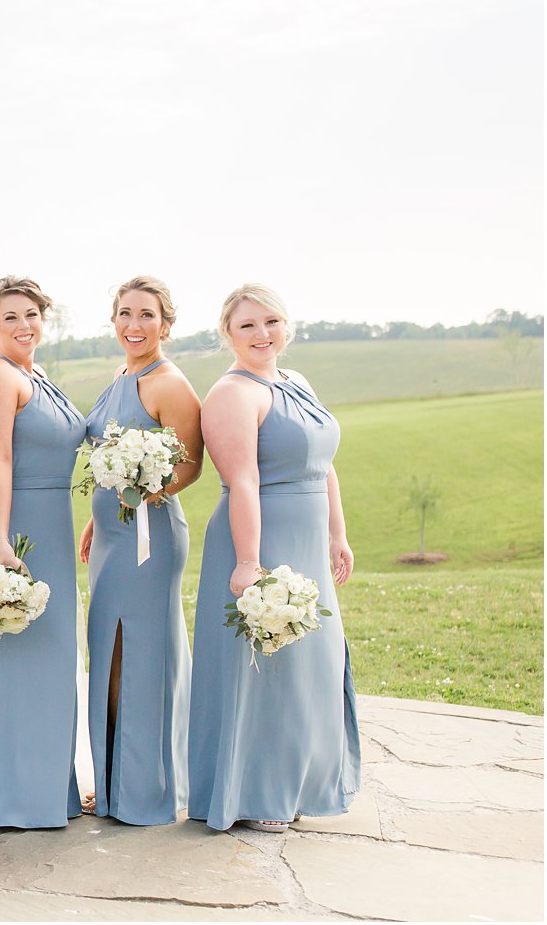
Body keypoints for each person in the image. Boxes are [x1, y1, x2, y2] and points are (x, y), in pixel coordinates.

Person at [188, 283, 360, 832]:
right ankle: (257, 793)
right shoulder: (232, 395)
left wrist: (338, 534)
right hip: (260, 539)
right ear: (227, 335)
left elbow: (325, 463)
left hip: (309, 539)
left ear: (286, 325)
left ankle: (306, 782)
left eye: (271, 322)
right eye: (247, 326)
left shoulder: (297, 383)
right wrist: (248, 562)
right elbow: (242, 481)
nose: (262, 334)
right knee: (268, 666)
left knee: (315, 663)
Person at [0, 276, 86, 828]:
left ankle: (47, 790)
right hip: (13, 526)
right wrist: (2, 542)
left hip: (53, 523)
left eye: (31, 314)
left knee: (52, 662)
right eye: (10, 317)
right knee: (10, 658)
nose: (24, 325)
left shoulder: (40, 377)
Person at [79, 275, 202, 825]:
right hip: (111, 537)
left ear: (166, 325)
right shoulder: (121, 375)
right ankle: (112, 780)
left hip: (148, 541)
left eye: (147, 315)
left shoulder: (169, 384)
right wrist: (93, 518)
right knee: (109, 656)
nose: (134, 324)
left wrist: (148, 487)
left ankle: (138, 786)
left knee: (138, 659)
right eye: (125, 313)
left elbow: (191, 464)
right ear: (114, 320)